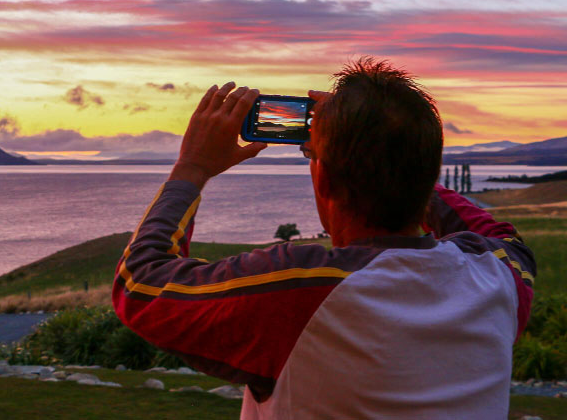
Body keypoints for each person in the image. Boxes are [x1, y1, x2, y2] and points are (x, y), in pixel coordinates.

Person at [112, 58, 535, 419]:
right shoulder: (499, 278)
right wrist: (399, 156)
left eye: (311, 156)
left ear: (326, 180)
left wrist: (192, 167)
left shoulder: (301, 292)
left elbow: (140, 284)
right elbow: (497, 234)